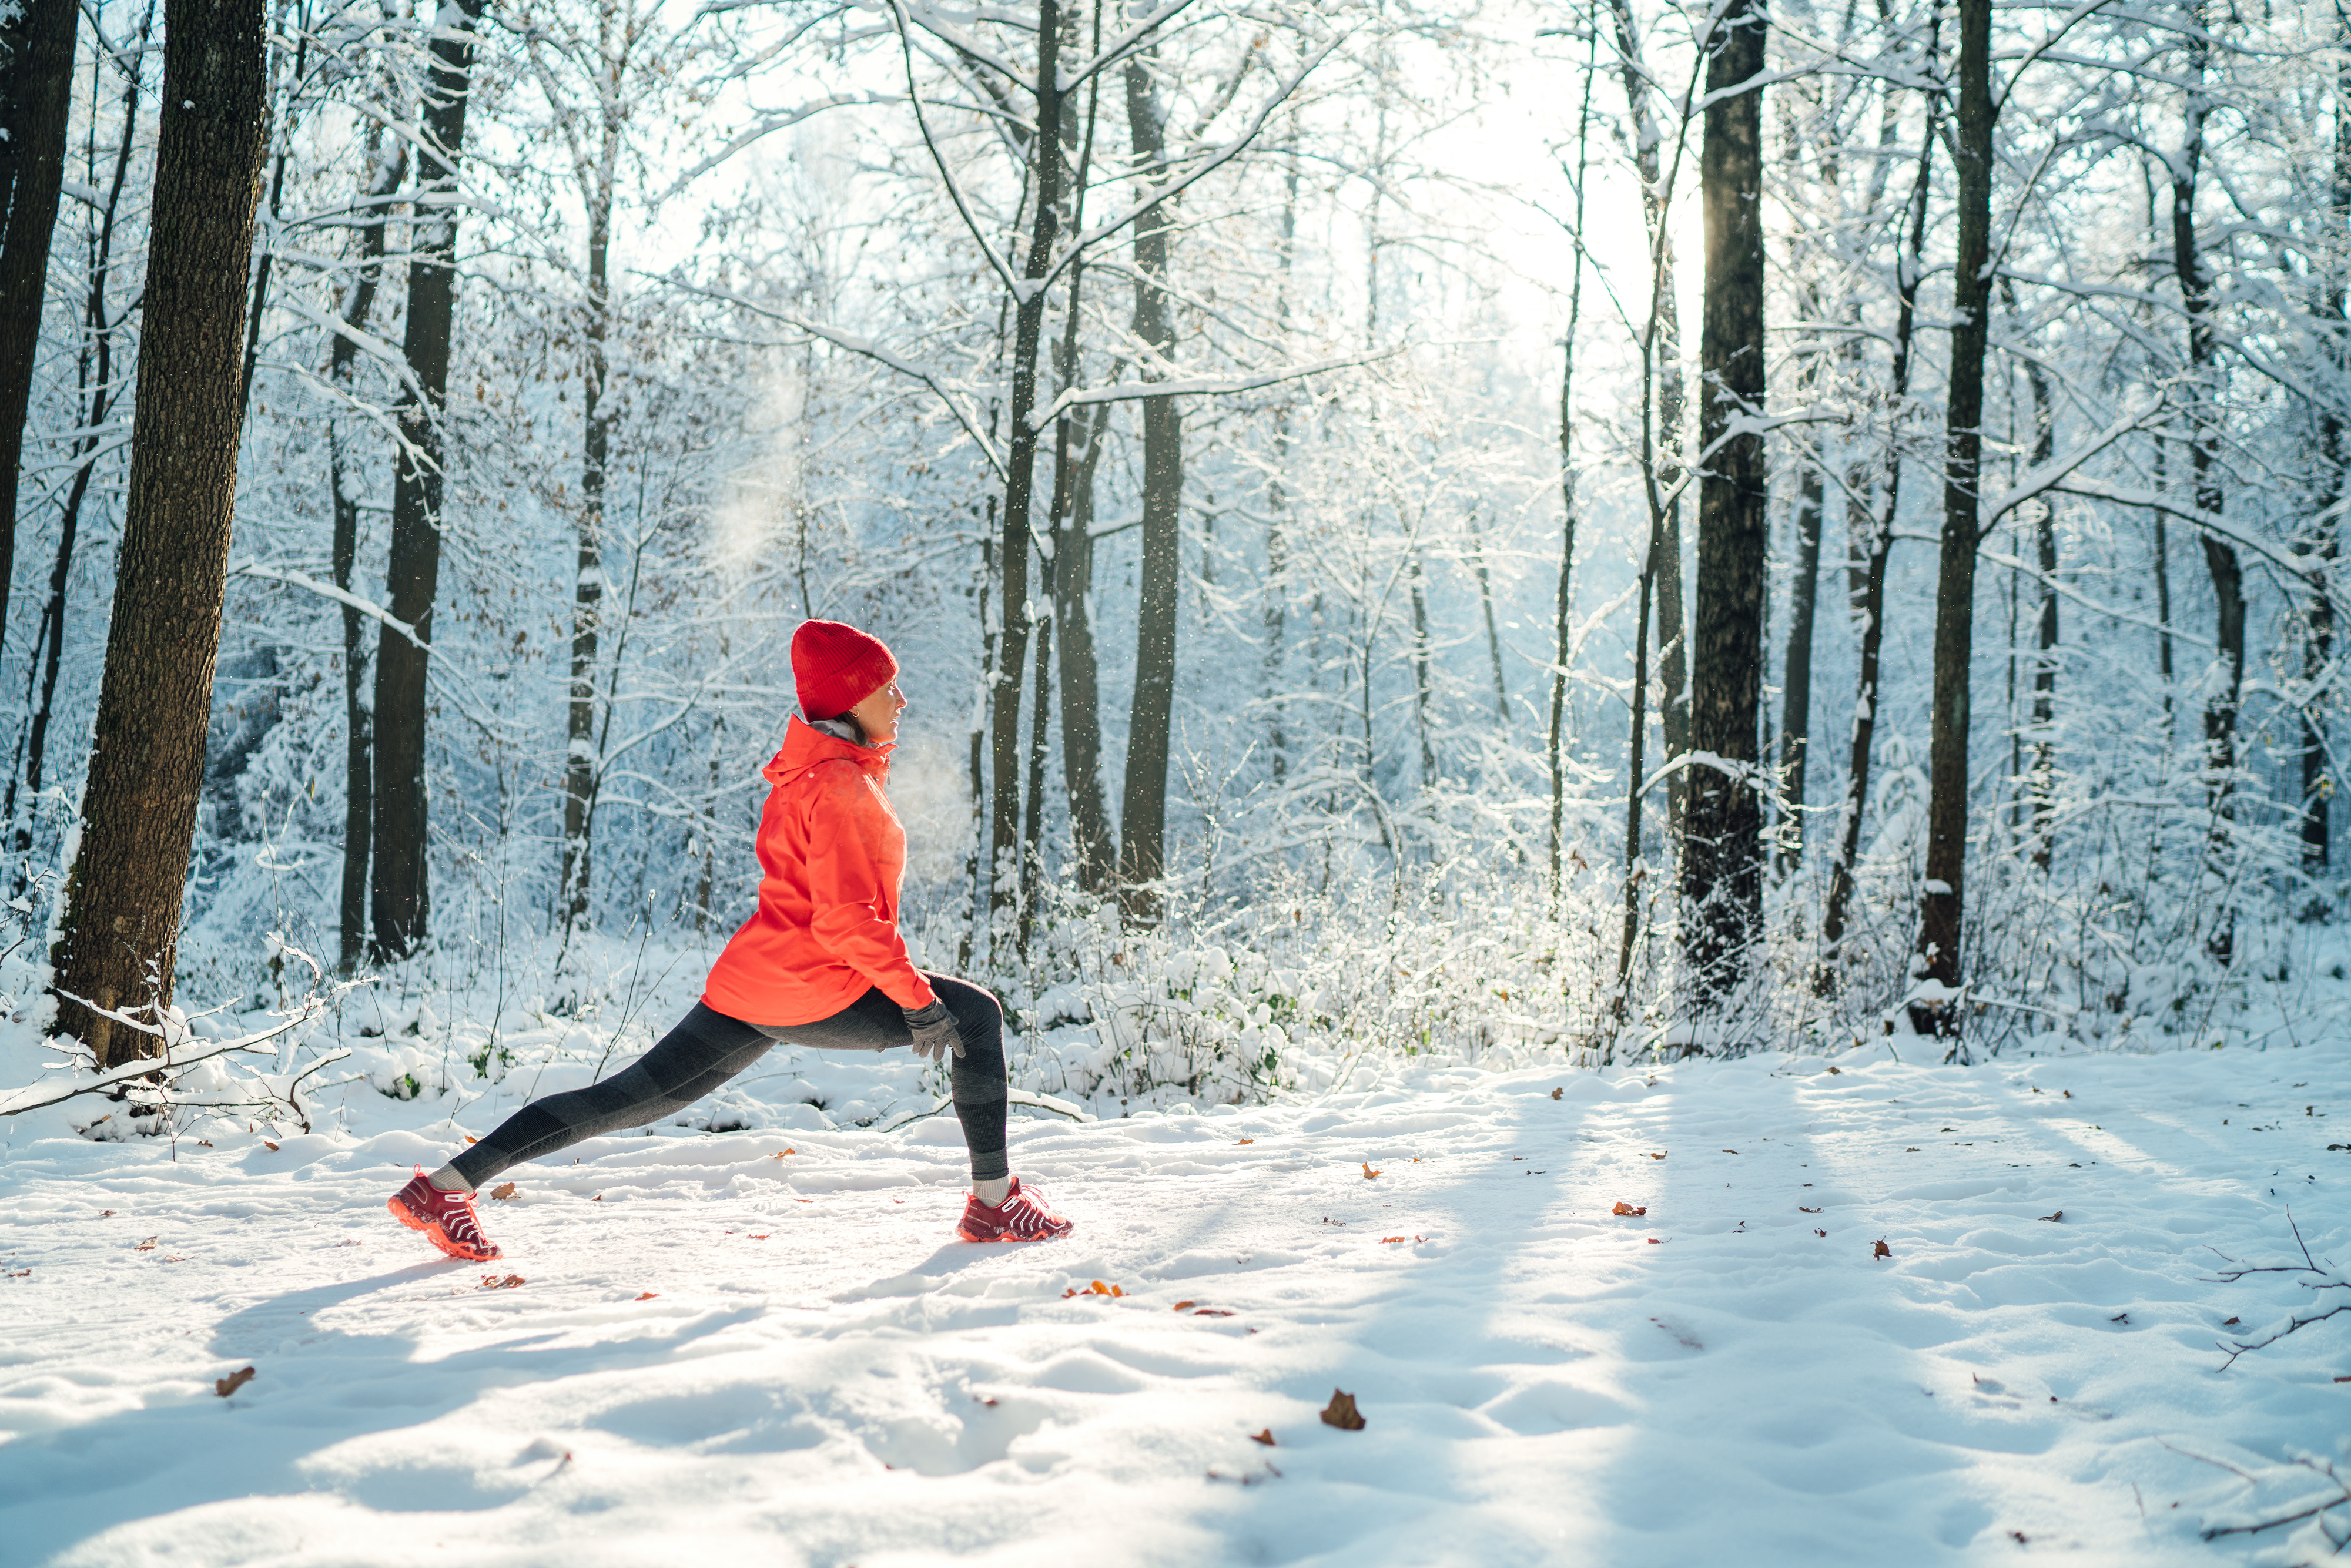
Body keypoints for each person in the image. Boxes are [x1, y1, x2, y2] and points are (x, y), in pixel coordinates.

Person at [387, 618, 1073, 1260]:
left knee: (629, 1098)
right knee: (974, 1016)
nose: (901, 699)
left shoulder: (805, 774)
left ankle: (445, 1187)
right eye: (886, 686)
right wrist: (916, 1000)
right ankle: (994, 1205)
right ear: (851, 698)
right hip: (812, 987)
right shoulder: (842, 786)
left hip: (753, 983)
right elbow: (845, 919)